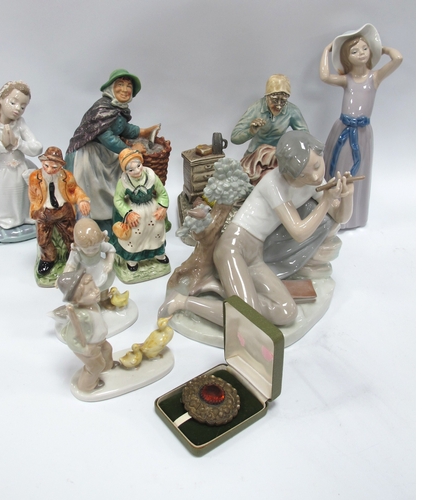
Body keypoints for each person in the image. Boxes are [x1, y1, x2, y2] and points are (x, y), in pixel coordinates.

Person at [159, 131, 354, 327]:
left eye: (317, 166)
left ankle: (224, 290)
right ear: (288, 173)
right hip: (233, 248)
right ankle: (181, 302)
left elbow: (340, 217)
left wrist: (347, 196)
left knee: (286, 311)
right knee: (247, 316)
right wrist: (326, 201)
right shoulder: (275, 184)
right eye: (303, 174)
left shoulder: (313, 181)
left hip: (255, 255)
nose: (315, 176)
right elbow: (299, 232)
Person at [320, 24, 402, 229]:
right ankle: (332, 213)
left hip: (362, 133)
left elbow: (398, 58)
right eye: (355, 51)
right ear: (347, 57)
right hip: (342, 129)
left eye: (365, 48)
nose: (361, 53)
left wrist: (382, 49)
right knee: (339, 169)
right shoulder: (346, 80)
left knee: (357, 174)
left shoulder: (375, 78)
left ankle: (354, 217)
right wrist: (326, 50)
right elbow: (325, 76)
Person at [65, 69, 160, 230]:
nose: (125, 89)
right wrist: (131, 151)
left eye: (129, 86)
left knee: (121, 175)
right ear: (111, 88)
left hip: (103, 152)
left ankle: (117, 213)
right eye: (120, 84)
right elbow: (107, 138)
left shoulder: (116, 108)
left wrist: (143, 132)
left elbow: (123, 128)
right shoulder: (102, 109)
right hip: (88, 155)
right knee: (98, 185)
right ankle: (97, 219)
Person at [0, 80, 42, 242]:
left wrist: (19, 144)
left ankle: (24, 217)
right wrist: (0, 146)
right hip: (3, 171)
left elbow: (37, 147)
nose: (18, 109)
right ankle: (5, 219)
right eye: (13, 102)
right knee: (5, 197)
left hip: (21, 169)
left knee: (24, 197)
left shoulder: (20, 124)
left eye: (23, 107)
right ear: (1, 99)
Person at [230, 74, 308, 184]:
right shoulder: (256, 109)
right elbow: (235, 137)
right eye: (275, 100)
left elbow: (304, 136)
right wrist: (251, 131)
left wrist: (291, 144)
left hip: (279, 157)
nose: (279, 105)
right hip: (255, 158)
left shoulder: (292, 111)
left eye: (283, 101)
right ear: (267, 96)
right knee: (256, 182)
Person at [28, 146, 90, 276]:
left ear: (61, 166)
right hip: (45, 212)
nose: (49, 170)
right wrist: (37, 208)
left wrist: (82, 200)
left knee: (71, 236)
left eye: (54, 167)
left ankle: (72, 256)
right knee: (42, 240)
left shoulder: (66, 176)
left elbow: (74, 189)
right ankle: (48, 259)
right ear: (42, 162)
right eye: (46, 166)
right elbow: (33, 195)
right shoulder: (35, 177)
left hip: (63, 210)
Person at [56, 269, 114, 392]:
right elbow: (73, 336)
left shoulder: (94, 305)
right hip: (88, 345)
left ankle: (108, 368)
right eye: (90, 292)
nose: (97, 291)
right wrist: (84, 348)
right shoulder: (80, 316)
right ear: (76, 301)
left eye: (95, 287)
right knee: (95, 366)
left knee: (107, 349)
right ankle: (86, 386)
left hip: (99, 340)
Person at [111, 148, 169, 272]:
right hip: (135, 211)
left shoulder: (151, 176)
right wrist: (128, 213)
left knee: (157, 231)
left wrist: (162, 208)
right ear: (125, 171)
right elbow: (118, 199)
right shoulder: (124, 182)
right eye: (131, 170)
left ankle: (158, 253)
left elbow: (162, 193)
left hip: (152, 209)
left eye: (138, 166)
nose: (137, 171)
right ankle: (133, 259)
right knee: (135, 235)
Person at [63, 218, 116, 308]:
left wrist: (109, 262)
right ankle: (89, 303)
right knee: (87, 290)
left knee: (104, 285)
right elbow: (70, 265)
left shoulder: (99, 244)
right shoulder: (77, 252)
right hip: (85, 273)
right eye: (87, 250)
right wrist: (64, 277)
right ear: (78, 245)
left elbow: (111, 250)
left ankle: (104, 299)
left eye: (95, 248)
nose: (92, 251)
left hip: (100, 268)